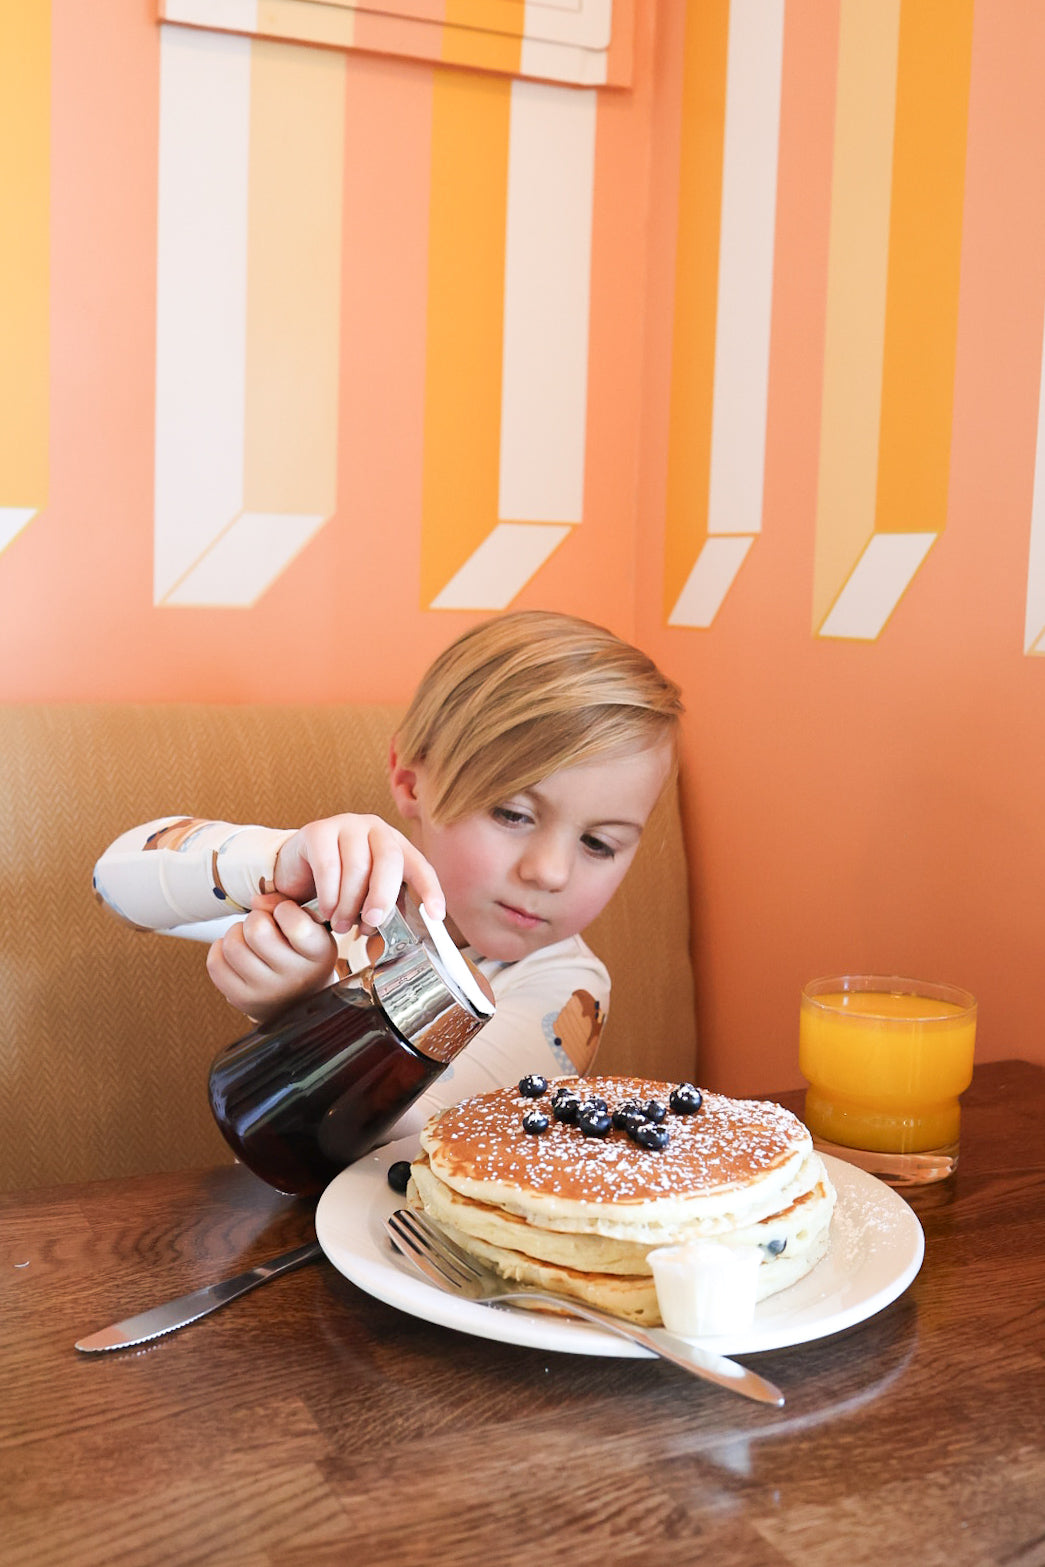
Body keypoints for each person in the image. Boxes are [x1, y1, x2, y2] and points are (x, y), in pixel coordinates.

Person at [93, 610, 683, 1136]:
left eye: (599, 844)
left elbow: (424, 1143)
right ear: (409, 781)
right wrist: (278, 863)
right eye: (512, 813)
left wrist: (306, 1005)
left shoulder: (563, 986)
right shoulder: (340, 887)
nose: (551, 872)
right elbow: (115, 882)